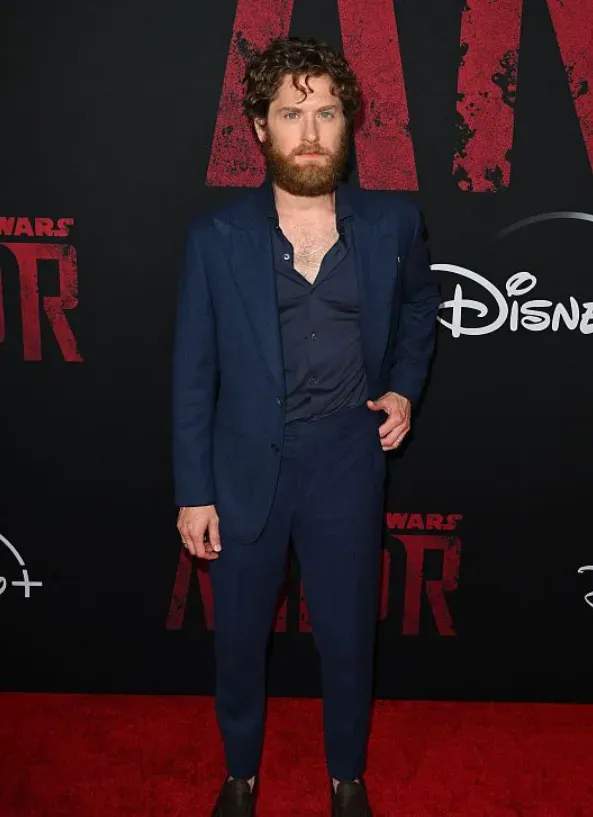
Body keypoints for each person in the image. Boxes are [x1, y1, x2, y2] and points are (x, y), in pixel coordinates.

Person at [172, 35, 441, 817]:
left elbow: (420, 309)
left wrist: (402, 390)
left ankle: (346, 775)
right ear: (260, 127)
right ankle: (240, 774)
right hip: (243, 466)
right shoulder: (215, 238)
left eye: (326, 112)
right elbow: (192, 371)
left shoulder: (393, 223)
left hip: (346, 459)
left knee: (348, 636)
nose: (311, 131)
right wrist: (193, 490)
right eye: (291, 114)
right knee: (237, 638)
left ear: (347, 122)